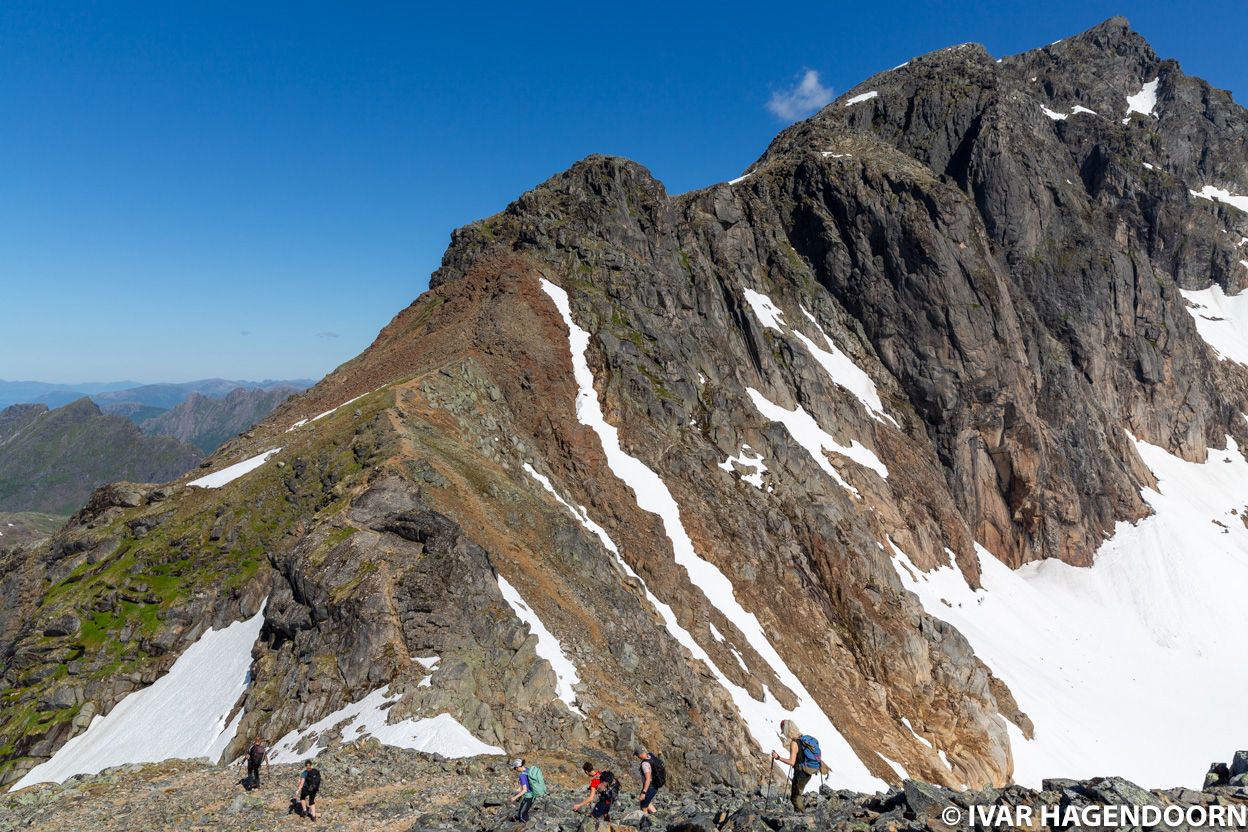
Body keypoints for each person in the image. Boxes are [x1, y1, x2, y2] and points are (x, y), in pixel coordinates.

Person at [771, 719, 822, 811]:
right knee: (798, 795)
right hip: (808, 771)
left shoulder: (794, 743)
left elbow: (792, 762)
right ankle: (802, 816)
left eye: (784, 731)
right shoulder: (803, 739)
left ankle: (802, 818)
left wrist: (778, 757)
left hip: (801, 773)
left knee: (795, 798)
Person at [634, 748, 665, 815]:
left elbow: (648, 779)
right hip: (655, 785)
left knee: (644, 806)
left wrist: (644, 792)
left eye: (637, 755)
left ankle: (647, 822)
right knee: (646, 802)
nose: (637, 757)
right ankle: (656, 815)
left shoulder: (644, 764)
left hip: (650, 787)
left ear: (640, 754)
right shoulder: (650, 756)